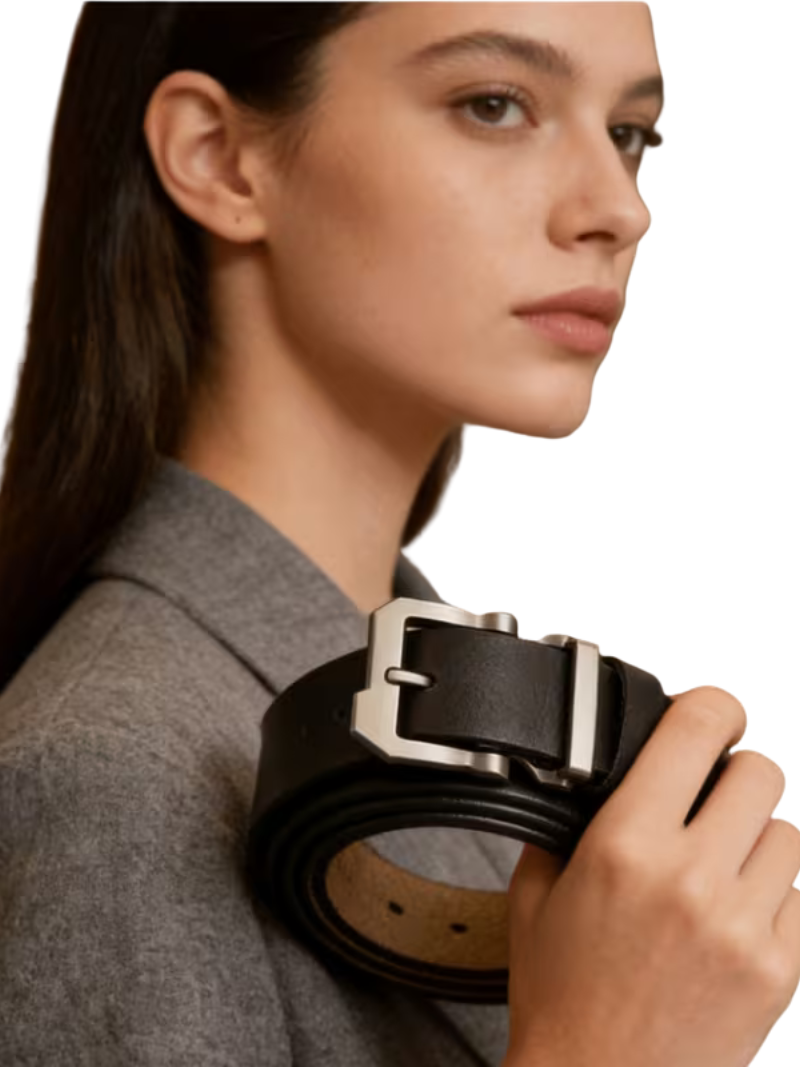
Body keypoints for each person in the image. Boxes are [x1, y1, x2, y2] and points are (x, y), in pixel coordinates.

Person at [1, 3, 798, 1066]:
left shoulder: (443, 721)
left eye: (628, 132)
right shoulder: (112, 776)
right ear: (219, 157)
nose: (619, 207)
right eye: (494, 104)